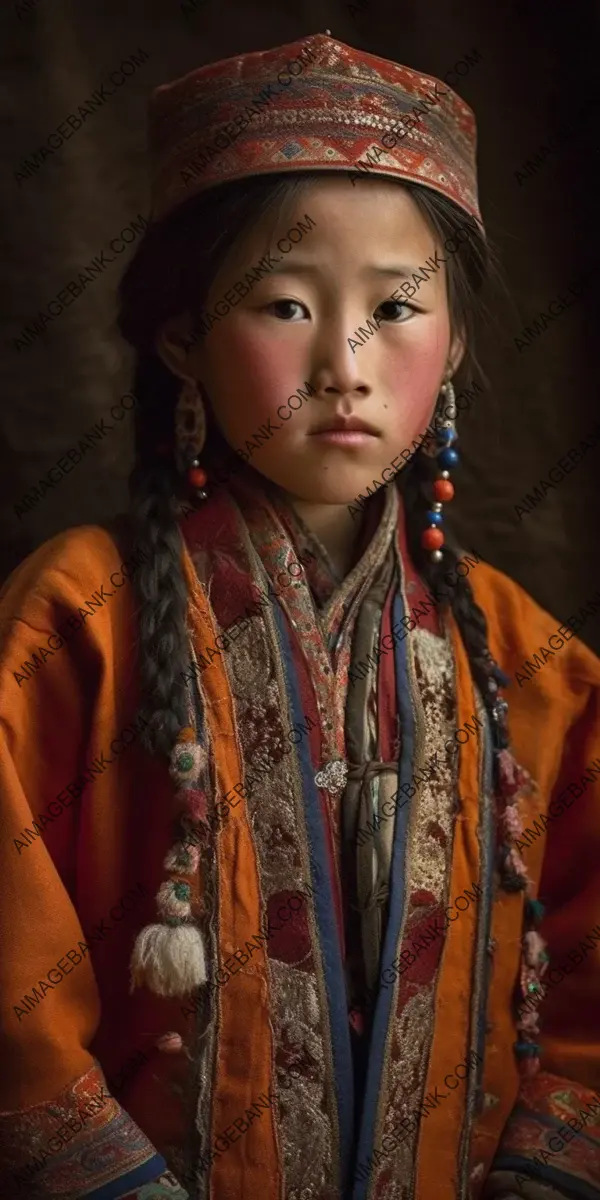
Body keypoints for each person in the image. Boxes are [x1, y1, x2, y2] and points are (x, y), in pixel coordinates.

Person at [0, 30, 599, 1200]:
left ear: (458, 346)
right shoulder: (75, 618)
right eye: (284, 303)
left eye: (396, 307)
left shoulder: (521, 656)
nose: (346, 362)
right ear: (182, 340)